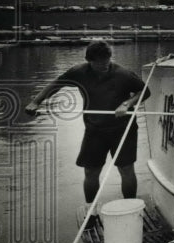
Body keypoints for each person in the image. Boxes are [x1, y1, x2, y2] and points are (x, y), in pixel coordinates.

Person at [25, 41, 151, 218]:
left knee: (126, 169)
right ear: (89, 61)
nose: (104, 66)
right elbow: (56, 84)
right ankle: (91, 211)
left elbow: (145, 91)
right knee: (91, 171)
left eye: (107, 62)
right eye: (99, 64)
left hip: (123, 129)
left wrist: (127, 103)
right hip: (95, 130)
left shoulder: (123, 74)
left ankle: (131, 208)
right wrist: (36, 102)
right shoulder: (79, 72)